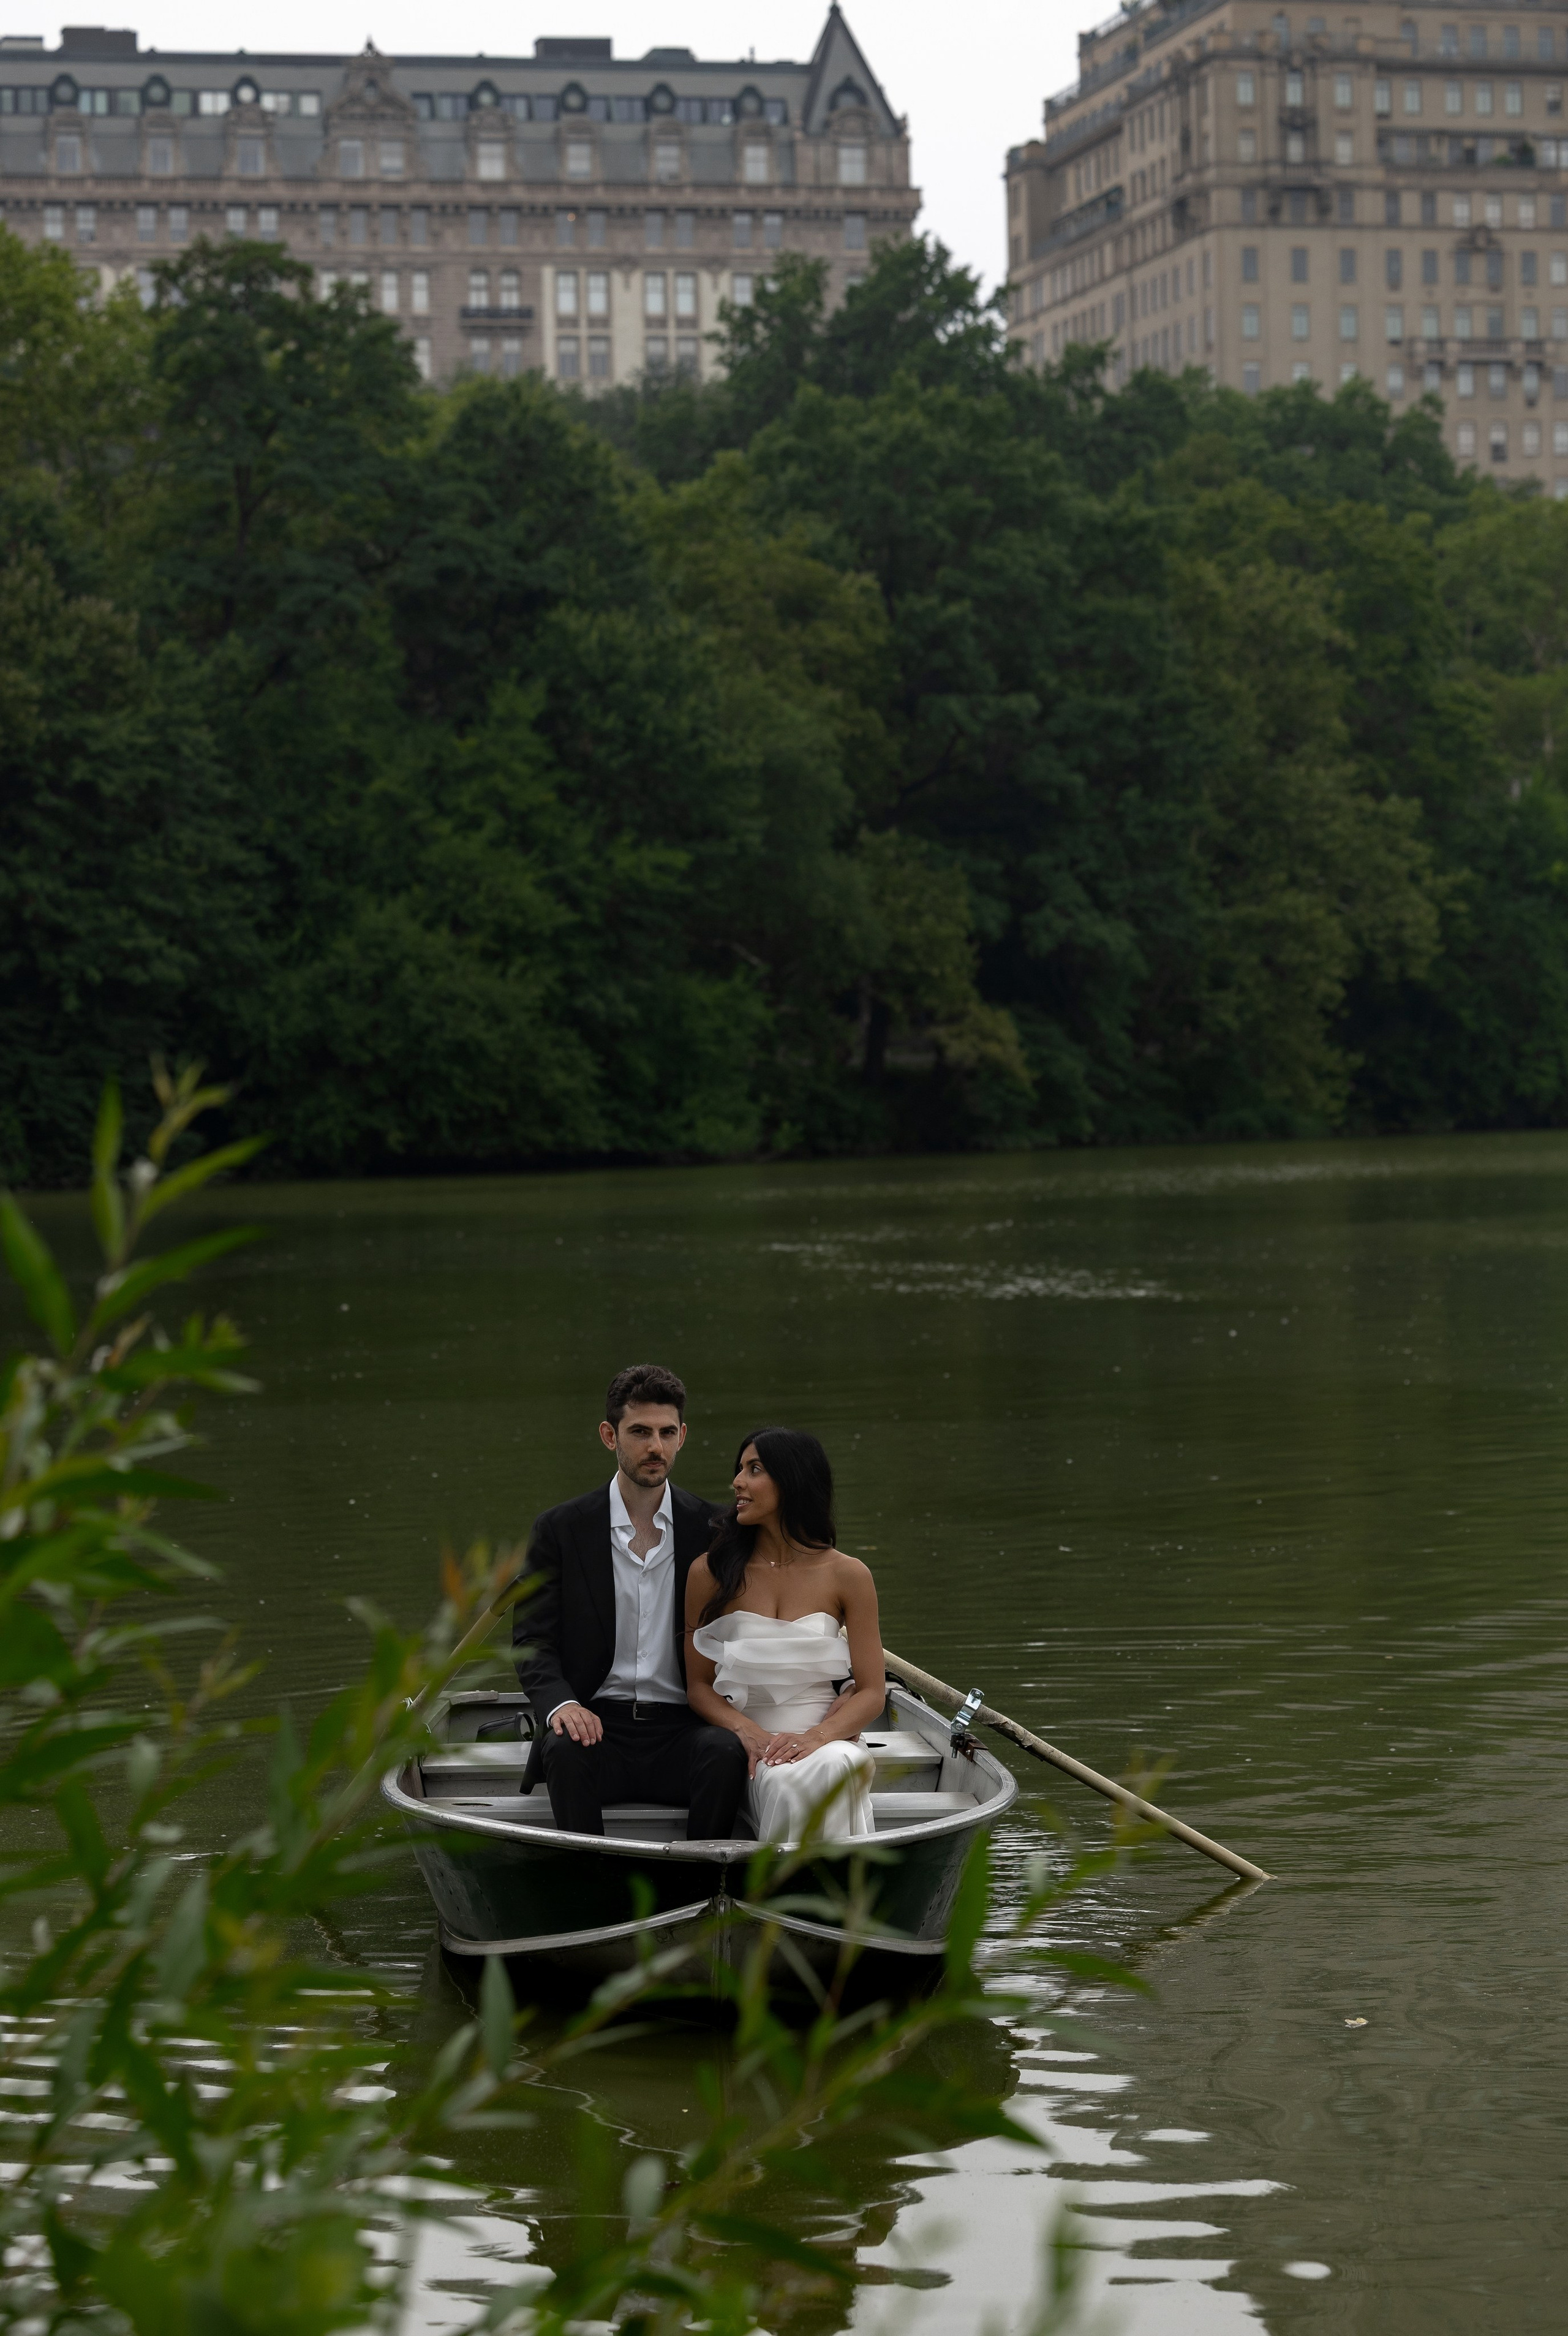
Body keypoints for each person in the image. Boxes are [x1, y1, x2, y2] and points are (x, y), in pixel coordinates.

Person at [513, 1364, 748, 1840]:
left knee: (725, 1751)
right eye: (639, 1432)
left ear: (682, 1436)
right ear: (609, 1435)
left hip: (685, 1726)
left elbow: (756, 1624)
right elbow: (533, 1639)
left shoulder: (717, 1530)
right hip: (597, 1722)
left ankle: (702, 1891)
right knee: (563, 1745)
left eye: (666, 1433)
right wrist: (561, 1704)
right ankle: (590, 1885)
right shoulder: (560, 1529)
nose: (655, 1447)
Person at [686, 1427, 885, 1845]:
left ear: (792, 1480)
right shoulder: (709, 1572)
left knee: (836, 1767)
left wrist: (816, 1738)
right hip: (754, 1748)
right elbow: (699, 1687)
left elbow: (871, 1692)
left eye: (753, 1469)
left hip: (829, 1737)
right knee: (787, 1784)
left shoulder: (849, 1575)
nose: (737, 1482)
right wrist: (748, 1733)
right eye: (739, 1469)